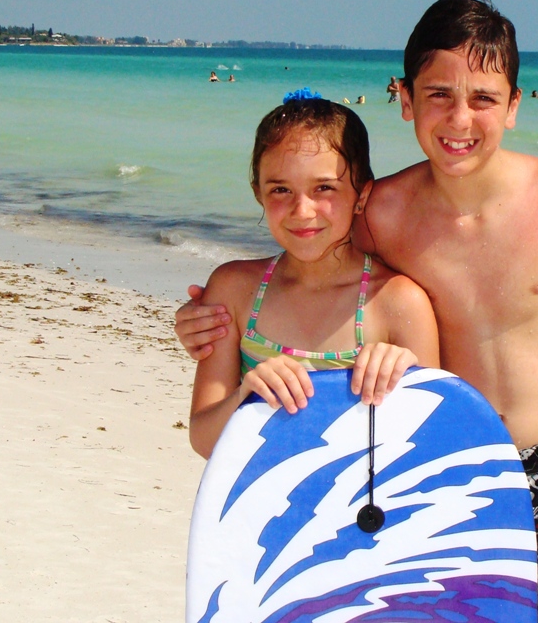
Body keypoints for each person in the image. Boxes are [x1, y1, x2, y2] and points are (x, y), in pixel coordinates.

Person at [177, 0, 538, 622]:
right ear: (405, 98)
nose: (459, 118)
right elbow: (313, 269)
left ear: (514, 105)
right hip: (440, 469)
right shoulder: (382, 211)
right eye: (439, 94)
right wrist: (206, 322)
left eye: (483, 98)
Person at [187, 92, 440, 459]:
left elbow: (429, 444)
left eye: (324, 188)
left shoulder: (397, 302)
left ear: (361, 195)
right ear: (258, 194)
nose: (302, 210)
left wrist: (401, 377)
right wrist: (245, 398)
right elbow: (202, 439)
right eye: (280, 190)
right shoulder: (234, 290)